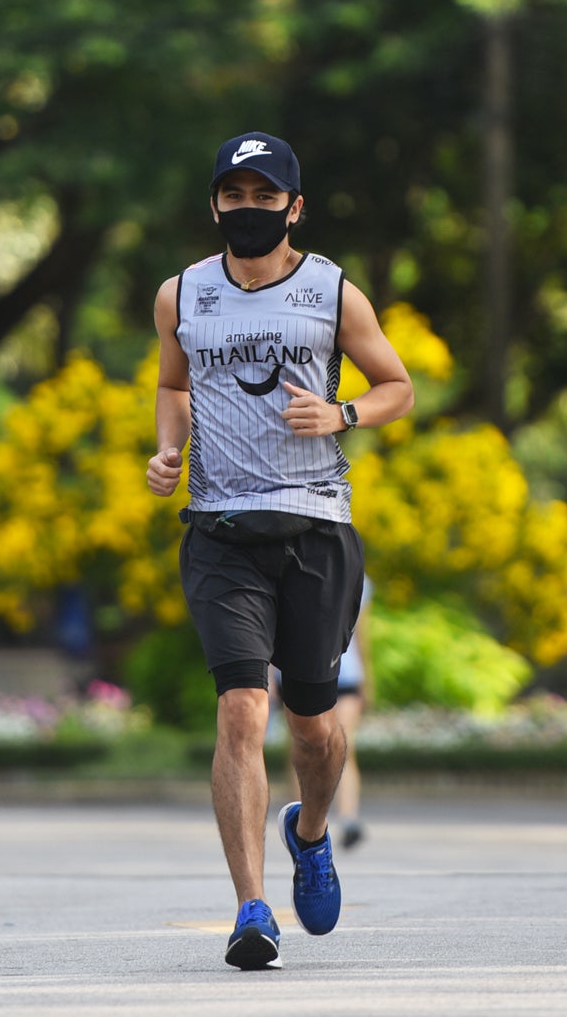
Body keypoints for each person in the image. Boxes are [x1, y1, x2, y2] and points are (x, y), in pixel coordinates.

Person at [145, 131, 415, 971]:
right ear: (214, 203)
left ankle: (311, 830)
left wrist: (342, 414)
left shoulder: (333, 292)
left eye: (266, 197)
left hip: (316, 530)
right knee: (240, 708)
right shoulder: (182, 293)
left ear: (294, 207)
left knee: (316, 728)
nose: (249, 209)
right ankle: (251, 909)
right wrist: (167, 449)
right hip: (221, 530)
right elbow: (172, 383)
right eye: (235, 195)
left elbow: (398, 386)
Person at [282, 578, 376, 850]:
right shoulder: (287, 563)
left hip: (345, 672)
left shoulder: (358, 577)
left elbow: (361, 631)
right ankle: (301, 817)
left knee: (344, 745)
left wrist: (366, 678)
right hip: (298, 671)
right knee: (301, 746)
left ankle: (348, 818)